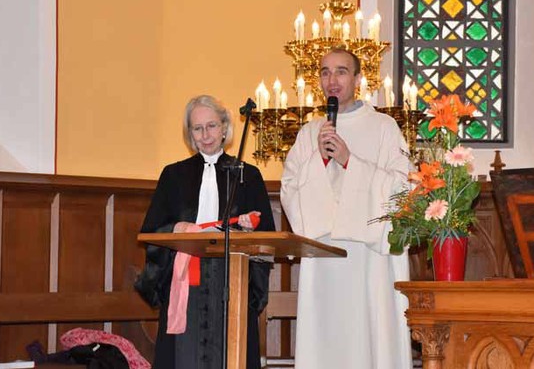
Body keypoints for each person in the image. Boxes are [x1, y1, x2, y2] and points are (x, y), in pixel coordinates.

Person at [281, 48, 412, 369]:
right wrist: (320, 161)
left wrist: (349, 161)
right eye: (325, 72)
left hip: (369, 261)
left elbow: (402, 188)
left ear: (356, 78)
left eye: (341, 71)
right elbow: (290, 189)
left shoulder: (383, 127)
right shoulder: (309, 132)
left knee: (370, 341)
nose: (332, 80)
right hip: (324, 257)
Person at [139, 95, 275, 369]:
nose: (206, 134)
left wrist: (248, 229)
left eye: (211, 126)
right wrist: (177, 228)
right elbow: (151, 231)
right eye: (197, 128)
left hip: (231, 278)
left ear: (225, 127)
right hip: (186, 279)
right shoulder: (173, 175)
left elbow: (267, 237)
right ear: (189, 134)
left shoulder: (247, 175)